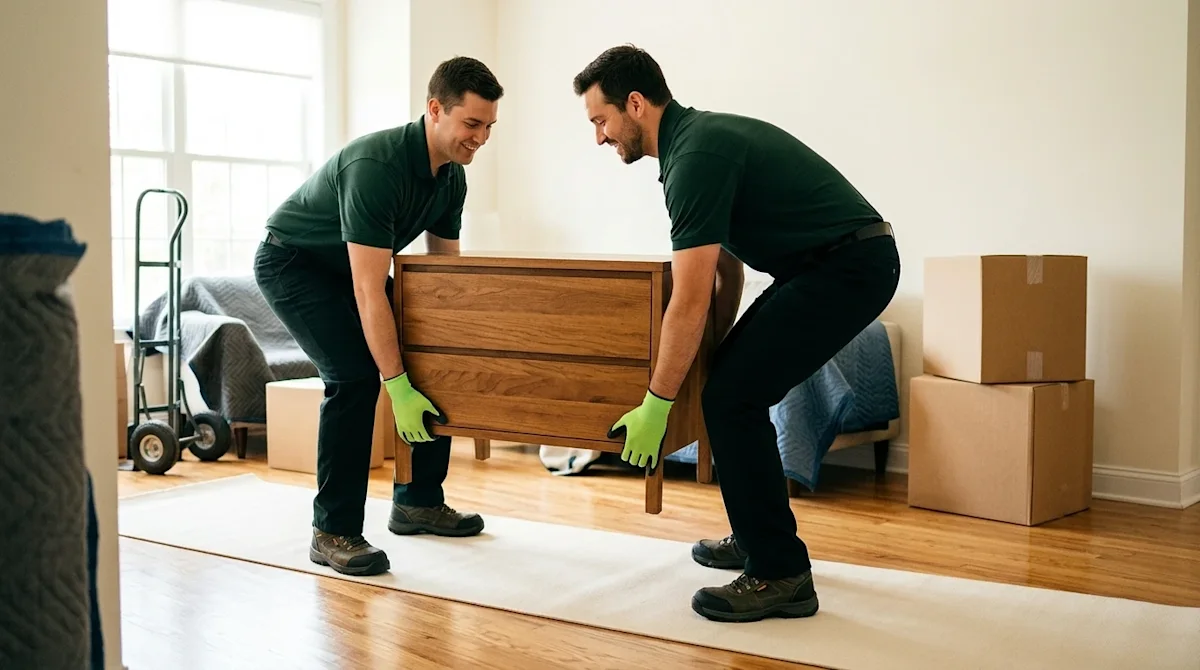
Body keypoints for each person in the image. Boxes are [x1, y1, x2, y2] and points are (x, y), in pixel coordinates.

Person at [574, 45, 901, 623]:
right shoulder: (691, 145)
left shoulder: (695, 156)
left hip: (849, 267)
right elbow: (728, 271)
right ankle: (757, 536)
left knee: (732, 397)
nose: (599, 137)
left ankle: (780, 573)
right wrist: (710, 357)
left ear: (635, 103)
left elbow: (690, 296)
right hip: (828, 266)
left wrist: (659, 400)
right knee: (729, 386)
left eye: (601, 120)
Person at [254, 56, 503, 577]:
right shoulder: (377, 167)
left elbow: (441, 283)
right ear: (435, 110)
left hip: (349, 268)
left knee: (432, 354)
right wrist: (397, 383)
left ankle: (418, 502)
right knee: (354, 375)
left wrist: (448, 346)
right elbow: (369, 290)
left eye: (488, 127)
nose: (480, 137)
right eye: (472, 124)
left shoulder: (452, 179)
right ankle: (332, 530)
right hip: (294, 263)